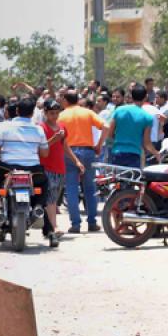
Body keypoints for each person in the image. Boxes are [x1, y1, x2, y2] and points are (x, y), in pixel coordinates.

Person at [0, 97, 50, 247]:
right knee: (45, 181)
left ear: (16, 111)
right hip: (33, 171)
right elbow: (45, 154)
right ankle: (39, 206)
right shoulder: (38, 129)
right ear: (32, 112)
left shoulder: (4, 127)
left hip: (6, 169)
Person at [58, 90, 106, 233]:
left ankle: (75, 224)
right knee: (90, 188)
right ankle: (92, 222)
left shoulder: (61, 115)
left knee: (71, 188)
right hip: (88, 151)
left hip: (69, 152)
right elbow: (107, 127)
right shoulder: (88, 112)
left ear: (66, 100)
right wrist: (99, 145)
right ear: (77, 100)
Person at [40, 99, 83, 246]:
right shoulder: (41, 127)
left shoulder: (62, 126)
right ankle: (54, 227)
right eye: (51, 113)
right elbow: (40, 148)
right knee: (51, 199)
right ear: (45, 112)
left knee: (53, 199)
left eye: (57, 113)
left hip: (60, 167)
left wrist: (76, 160)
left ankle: (48, 227)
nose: (54, 116)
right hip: (46, 167)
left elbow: (65, 146)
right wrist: (54, 139)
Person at [103, 84, 161, 168]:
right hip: (134, 155)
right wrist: (156, 153)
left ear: (132, 97)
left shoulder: (119, 110)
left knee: (117, 180)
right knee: (132, 179)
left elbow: (109, 134)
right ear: (145, 97)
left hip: (117, 153)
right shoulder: (147, 117)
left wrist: (111, 148)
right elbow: (147, 143)